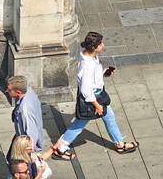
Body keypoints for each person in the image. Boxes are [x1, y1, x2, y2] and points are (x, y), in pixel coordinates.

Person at [51, 32, 138, 160]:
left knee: (109, 118)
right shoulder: (88, 65)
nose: (103, 45)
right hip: (93, 99)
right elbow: (86, 89)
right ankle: (60, 148)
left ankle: (119, 144)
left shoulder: (90, 57)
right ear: (94, 47)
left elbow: (89, 81)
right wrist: (96, 105)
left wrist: (102, 73)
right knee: (79, 124)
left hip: (97, 95)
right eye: (100, 44)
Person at [6, 75, 44, 153]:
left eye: (9, 90)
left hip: (25, 147)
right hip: (20, 138)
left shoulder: (25, 111)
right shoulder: (28, 91)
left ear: (18, 92)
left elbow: (31, 134)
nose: (6, 91)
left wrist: (26, 152)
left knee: (14, 163)